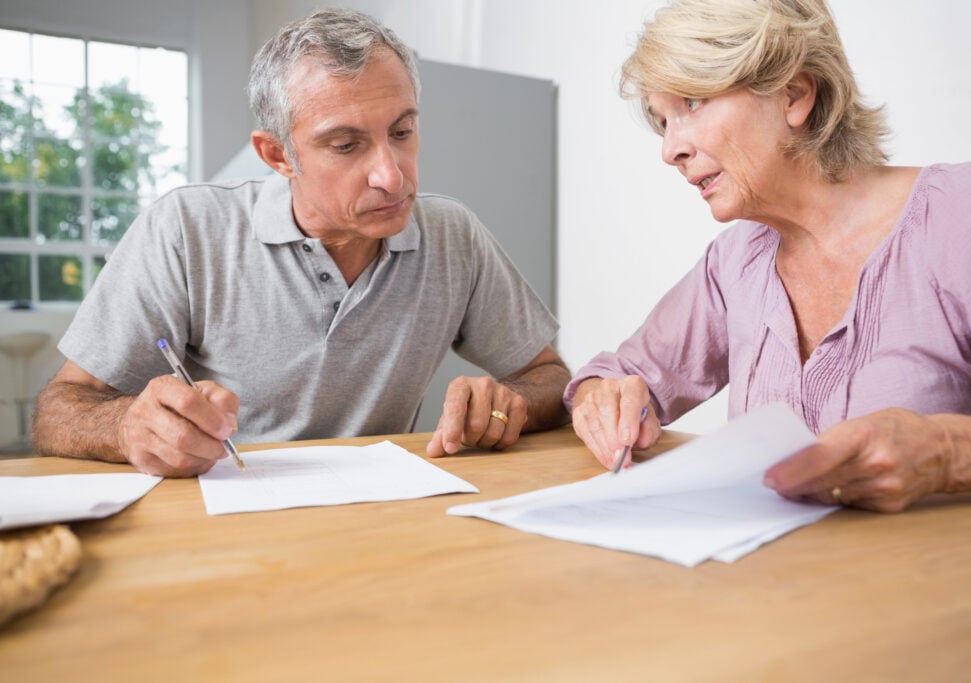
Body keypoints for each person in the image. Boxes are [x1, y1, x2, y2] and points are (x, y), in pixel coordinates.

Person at [32, 8, 570, 477]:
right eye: (345, 145)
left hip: (386, 516)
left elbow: (549, 378)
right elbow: (58, 410)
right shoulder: (186, 228)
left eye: (402, 133)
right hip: (229, 522)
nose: (392, 175)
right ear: (277, 156)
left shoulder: (453, 235)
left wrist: (510, 403)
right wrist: (129, 427)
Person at [566, 0, 971, 512]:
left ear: (793, 94)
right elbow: (616, 375)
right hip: (778, 586)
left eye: (692, 102)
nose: (670, 149)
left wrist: (947, 454)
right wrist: (605, 400)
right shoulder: (735, 261)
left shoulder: (969, 218)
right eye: (662, 120)